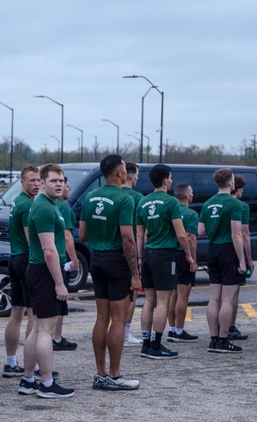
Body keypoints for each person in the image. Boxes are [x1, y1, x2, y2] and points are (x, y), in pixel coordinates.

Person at [79, 155, 141, 391]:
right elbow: (128, 238)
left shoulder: (90, 196)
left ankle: (100, 373)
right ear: (118, 173)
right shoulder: (125, 199)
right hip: (117, 260)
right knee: (118, 319)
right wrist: (135, 274)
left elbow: (82, 234)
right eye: (125, 168)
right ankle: (114, 376)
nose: (127, 171)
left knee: (101, 318)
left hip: (97, 258)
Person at [17, 164, 75, 398]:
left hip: (39, 270)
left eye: (61, 180)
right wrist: (59, 283)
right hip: (44, 271)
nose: (59, 184)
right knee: (45, 331)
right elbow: (48, 250)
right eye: (53, 181)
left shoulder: (47, 205)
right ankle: (47, 384)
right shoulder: (43, 208)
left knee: (37, 328)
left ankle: (29, 379)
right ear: (42, 183)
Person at [136, 164, 190, 360]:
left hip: (149, 254)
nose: (172, 180)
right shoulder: (171, 202)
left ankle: (145, 344)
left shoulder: (142, 202)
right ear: (165, 180)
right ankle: (157, 345)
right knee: (163, 302)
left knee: (148, 301)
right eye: (170, 177)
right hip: (166, 255)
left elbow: (140, 234)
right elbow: (181, 233)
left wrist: (140, 258)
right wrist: (189, 256)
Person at [197, 168, 246, 353]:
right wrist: (241, 260)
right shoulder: (234, 204)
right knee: (228, 298)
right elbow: (237, 234)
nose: (234, 181)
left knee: (214, 297)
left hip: (213, 249)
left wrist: (215, 227)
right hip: (228, 250)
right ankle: (224, 340)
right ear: (228, 182)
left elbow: (201, 231)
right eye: (233, 179)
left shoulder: (208, 203)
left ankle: (213, 338)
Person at [3, 166, 39, 378]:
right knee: (33, 314)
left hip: (14, 258)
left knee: (16, 313)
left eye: (38, 180)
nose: (36, 184)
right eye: (32, 180)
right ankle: (32, 365)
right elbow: (30, 238)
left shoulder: (17, 201)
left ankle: (10, 362)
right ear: (22, 182)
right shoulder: (27, 205)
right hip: (25, 259)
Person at [167, 183, 200, 342]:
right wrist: (192, 260)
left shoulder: (169, 210)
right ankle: (179, 331)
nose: (193, 194)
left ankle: (172, 329)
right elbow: (191, 238)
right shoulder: (191, 214)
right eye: (191, 191)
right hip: (182, 255)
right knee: (183, 295)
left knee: (172, 294)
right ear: (186, 195)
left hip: (168, 254)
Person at [52, 179, 79, 351]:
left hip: (52, 256)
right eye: (66, 186)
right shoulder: (65, 206)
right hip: (60, 257)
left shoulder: (51, 205)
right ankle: (56, 337)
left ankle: (55, 336)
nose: (68, 189)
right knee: (60, 300)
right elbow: (67, 235)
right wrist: (75, 259)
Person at [225, 175, 252, 341]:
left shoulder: (215, 202)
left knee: (217, 295)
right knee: (232, 294)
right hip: (233, 251)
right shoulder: (241, 206)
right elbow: (244, 233)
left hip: (216, 249)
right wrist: (248, 258)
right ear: (237, 188)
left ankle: (219, 329)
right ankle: (230, 327)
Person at [121, 162, 145, 347]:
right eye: (136, 174)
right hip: (128, 251)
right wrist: (139, 256)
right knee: (131, 294)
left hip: (106, 252)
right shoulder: (137, 197)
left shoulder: (104, 194)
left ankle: (115, 331)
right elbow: (139, 231)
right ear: (129, 175)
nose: (137, 177)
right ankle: (125, 333)